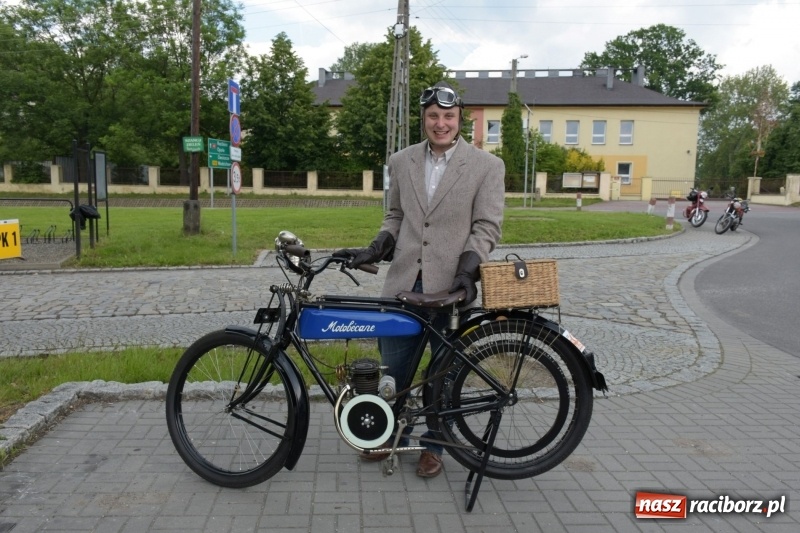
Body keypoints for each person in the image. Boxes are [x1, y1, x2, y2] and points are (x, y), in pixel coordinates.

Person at [337, 81, 505, 478]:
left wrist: (467, 271)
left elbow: (486, 227)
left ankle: (435, 446)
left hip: (451, 290)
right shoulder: (401, 161)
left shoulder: (486, 166)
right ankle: (391, 435)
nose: (441, 123)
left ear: (459, 119)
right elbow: (395, 217)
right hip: (402, 286)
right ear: (423, 119)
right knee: (393, 373)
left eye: (448, 116)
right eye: (433, 116)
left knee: (443, 376)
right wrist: (377, 247)